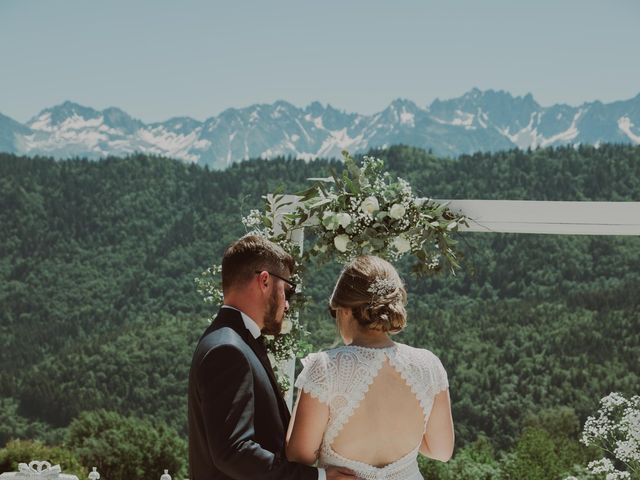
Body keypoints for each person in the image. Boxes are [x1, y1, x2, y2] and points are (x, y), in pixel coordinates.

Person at [188, 234, 355, 480]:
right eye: (287, 290)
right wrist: (318, 477)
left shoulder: (230, 339)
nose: (287, 304)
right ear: (264, 281)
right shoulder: (228, 350)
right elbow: (234, 452)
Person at [286, 255, 454, 480]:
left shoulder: (325, 367)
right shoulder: (428, 365)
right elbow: (440, 450)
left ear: (345, 310)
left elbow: (299, 457)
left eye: (334, 312)